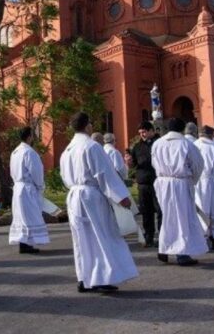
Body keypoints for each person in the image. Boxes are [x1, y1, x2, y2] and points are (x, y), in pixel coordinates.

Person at [60, 112, 138, 293]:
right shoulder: (91, 146)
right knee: (100, 237)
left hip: (74, 196)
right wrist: (121, 197)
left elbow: (64, 177)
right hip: (91, 197)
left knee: (81, 240)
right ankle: (101, 279)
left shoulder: (67, 150)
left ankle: (84, 277)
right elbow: (104, 175)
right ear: (88, 126)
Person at [152, 118, 208, 266]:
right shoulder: (186, 144)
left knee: (167, 216)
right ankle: (182, 254)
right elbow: (198, 165)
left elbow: (154, 163)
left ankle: (163, 249)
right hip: (180, 183)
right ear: (182, 129)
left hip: (163, 183)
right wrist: (191, 180)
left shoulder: (157, 143)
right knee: (182, 218)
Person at [9, 127, 50, 254]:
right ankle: (27, 243)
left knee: (22, 216)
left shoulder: (15, 152)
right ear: (29, 137)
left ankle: (24, 243)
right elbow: (36, 172)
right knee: (30, 216)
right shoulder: (29, 152)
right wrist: (40, 186)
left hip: (17, 187)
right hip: (27, 188)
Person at [127, 121, 161, 248]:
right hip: (143, 183)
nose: (142, 135)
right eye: (140, 133)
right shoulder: (137, 147)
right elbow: (133, 165)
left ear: (152, 130)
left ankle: (162, 235)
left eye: (145, 132)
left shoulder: (159, 143)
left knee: (160, 210)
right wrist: (129, 162)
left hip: (157, 181)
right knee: (146, 212)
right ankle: (149, 237)